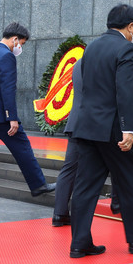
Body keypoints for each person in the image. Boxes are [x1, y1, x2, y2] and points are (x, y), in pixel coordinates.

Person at [68, 4, 133, 257]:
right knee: (131, 183)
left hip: (87, 126)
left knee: (85, 187)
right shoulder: (126, 49)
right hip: (114, 130)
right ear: (130, 26)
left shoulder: (91, 48)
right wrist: (128, 129)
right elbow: (125, 93)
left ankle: (79, 243)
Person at [0, 22, 55, 206]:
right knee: (23, 147)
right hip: (1, 115)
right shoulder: (6, 56)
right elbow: (8, 90)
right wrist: (12, 118)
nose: (20, 48)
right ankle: (38, 185)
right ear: (15, 39)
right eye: (22, 44)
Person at [52, 57, 83, 227]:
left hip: (76, 121)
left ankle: (60, 213)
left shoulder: (79, 63)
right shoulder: (102, 62)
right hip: (94, 124)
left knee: (69, 168)